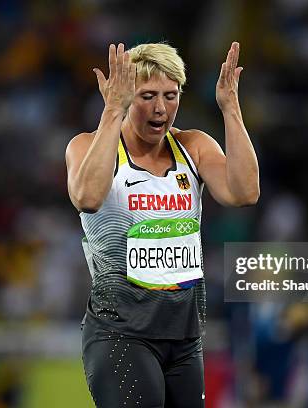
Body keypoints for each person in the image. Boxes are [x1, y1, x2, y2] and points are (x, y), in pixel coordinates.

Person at [65, 41, 259, 408]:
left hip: (184, 338)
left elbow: (244, 192)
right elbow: (87, 197)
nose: (160, 108)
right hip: (119, 334)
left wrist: (231, 109)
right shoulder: (86, 146)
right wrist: (112, 113)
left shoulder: (194, 146)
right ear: (125, 96)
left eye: (171, 96)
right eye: (147, 96)